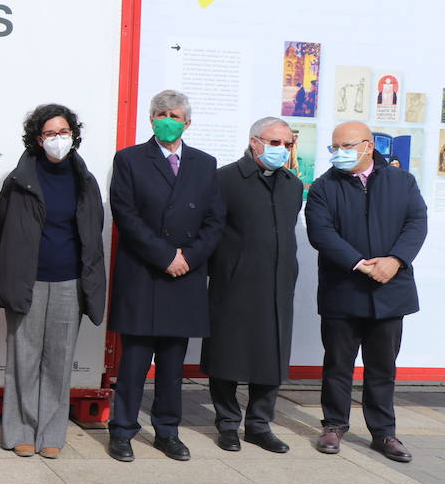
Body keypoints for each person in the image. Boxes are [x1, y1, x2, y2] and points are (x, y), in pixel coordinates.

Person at [107, 90, 224, 463]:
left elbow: (214, 220)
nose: (166, 119)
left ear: (187, 122)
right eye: (160, 113)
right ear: (151, 119)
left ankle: (168, 431)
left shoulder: (205, 164)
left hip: (185, 275)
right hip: (144, 272)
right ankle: (123, 431)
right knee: (134, 361)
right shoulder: (129, 160)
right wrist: (164, 256)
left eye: (173, 114)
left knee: (173, 365)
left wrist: (187, 257)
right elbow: (126, 214)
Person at [0, 104, 105, 459]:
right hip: (29, 281)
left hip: (70, 281)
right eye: (50, 133)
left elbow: (92, 229)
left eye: (64, 132)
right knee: (23, 358)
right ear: (38, 138)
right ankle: (20, 431)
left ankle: (51, 434)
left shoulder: (85, 180)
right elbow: (3, 228)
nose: (58, 139)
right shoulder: (19, 180)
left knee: (59, 360)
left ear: (74, 135)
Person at [306, 120, 427, 463]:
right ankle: (333, 426)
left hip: (391, 290)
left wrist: (396, 260)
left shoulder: (402, 182)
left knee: (382, 367)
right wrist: (359, 263)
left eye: (347, 147)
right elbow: (321, 233)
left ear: (369, 146)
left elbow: (416, 222)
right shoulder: (323, 187)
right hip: (343, 289)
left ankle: (384, 433)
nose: (339, 154)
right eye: (335, 148)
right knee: (338, 364)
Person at [203, 117, 303, 454]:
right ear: (254, 141)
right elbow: (212, 230)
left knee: (270, 355)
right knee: (227, 353)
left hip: (277, 284)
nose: (281, 150)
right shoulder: (225, 179)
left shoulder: (292, 184)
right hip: (234, 281)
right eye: (274, 142)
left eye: (287, 144)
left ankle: (259, 424)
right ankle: (228, 423)